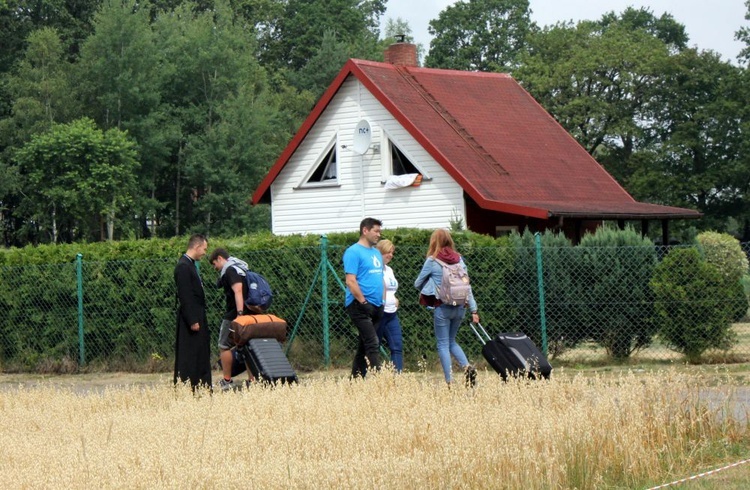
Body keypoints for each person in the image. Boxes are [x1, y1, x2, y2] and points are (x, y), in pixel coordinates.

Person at [414, 229, 479, 387]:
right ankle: (466, 367)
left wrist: (430, 286)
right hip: (460, 307)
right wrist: (474, 310)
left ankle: (449, 381)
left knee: (442, 344)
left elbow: (417, 283)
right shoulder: (459, 260)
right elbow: (466, 285)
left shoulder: (432, 260)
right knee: (451, 341)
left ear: (433, 242)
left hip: (442, 307)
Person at [344, 217, 385, 378]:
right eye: (376, 231)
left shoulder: (376, 253)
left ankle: (355, 379)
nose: (379, 235)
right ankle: (380, 380)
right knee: (372, 342)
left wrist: (380, 303)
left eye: (379, 231)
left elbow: (380, 278)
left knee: (364, 345)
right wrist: (363, 301)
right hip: (359, 305)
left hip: (376, 305)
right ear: (365, 230)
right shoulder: (353, 252)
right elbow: (351, 281)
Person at [208, 248, 254, 392]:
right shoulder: (241, 268)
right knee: (246, 346)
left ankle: (227, 380)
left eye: (214, 264)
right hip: (250, 313)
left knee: (224, 345)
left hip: (235, 314)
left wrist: (239, 315)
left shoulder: (230, 270)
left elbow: (238, 291)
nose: (215, 268)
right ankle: (252, 380)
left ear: (220, 258)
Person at [174, 234, 212, 391]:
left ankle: (201, 384)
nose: (204, 252)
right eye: (204, 249)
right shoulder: (183, 266)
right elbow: (185, 294)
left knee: (200, 351)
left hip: (198, 314)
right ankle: (189, 385)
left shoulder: (190, 265)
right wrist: (192, 320)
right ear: (197, 247)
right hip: (191, 318)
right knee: (190, 353)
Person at [375, 239, 404, 372]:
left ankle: (397, 378)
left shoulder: (389, 270)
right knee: (374, 346)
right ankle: (374, 375)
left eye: (392, 252)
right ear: (379, 252)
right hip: (379, 313)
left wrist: (395, 299)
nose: (390, 255)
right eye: (387, 252)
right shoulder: (374, 269)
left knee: (397, 346)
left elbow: (391, 289)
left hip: (392, 314)